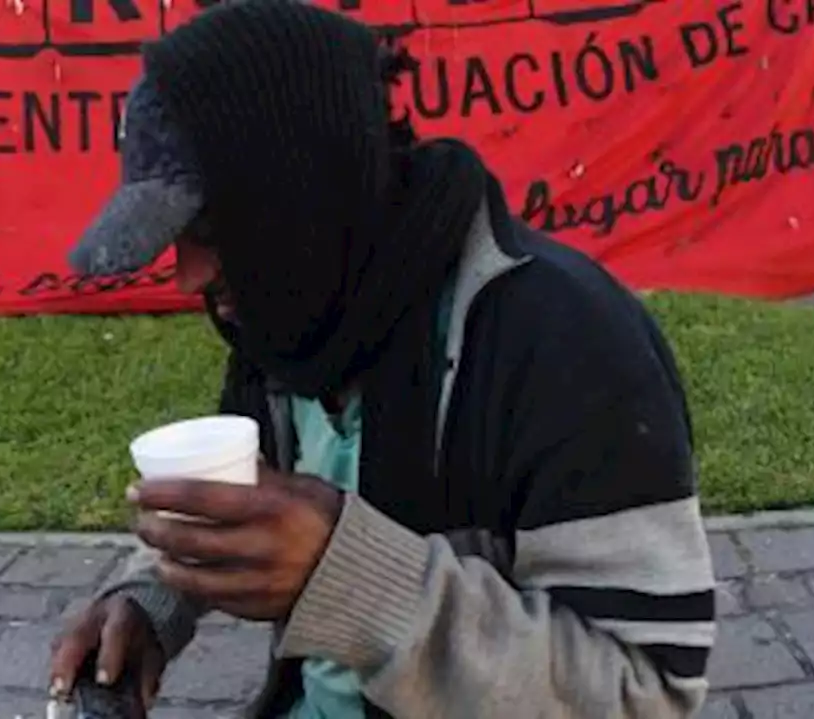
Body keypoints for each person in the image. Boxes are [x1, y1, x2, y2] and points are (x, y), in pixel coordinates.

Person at [51, 1, 716, 717]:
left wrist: (353, 579)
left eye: (211, 226)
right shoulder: (297, 312)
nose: (186, 275)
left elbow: (647, 691)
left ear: (299, 197)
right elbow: (253, 501)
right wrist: (150, 596)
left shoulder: (565, 342)